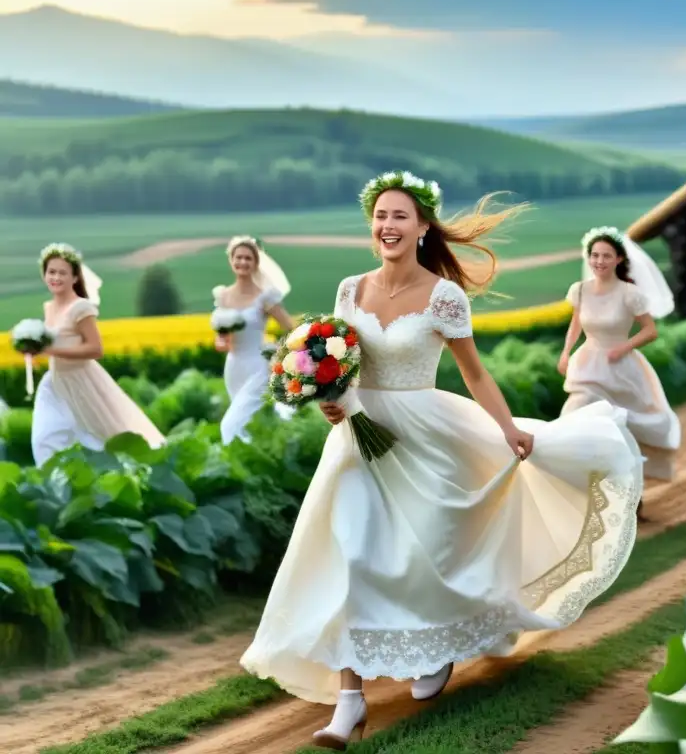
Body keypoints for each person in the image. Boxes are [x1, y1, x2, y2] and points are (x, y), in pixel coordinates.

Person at [240, 171, 643, 749]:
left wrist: (507, 430)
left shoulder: (444, 296)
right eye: (380, 216)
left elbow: (474, 372)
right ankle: (349, 703)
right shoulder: (350, 289)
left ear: (423, 227)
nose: (388, 226)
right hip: (358, 438)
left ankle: (440, 644)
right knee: (352, 554)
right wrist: (330, 400)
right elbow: (342, 362)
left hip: (426, 437)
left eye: (400, 216)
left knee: (422, 556)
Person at [558, 226, 680, 518]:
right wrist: (566, 352)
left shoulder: (630, 294)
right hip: (588, 366)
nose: (599, 261)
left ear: (618, 259)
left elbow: (650, 331)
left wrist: (623, 348)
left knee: (625, 428)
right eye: (595, 255)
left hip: (622, 369)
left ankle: (631, 491)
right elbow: (576, 324)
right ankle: (586, 488)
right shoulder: (580, 290)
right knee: (578, 415)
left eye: (606, 256)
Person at [30, 243, 165, 466]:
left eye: (62, 272)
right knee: (45, 436)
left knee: (97, 437)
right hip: (54, 383)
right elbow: (53, 342)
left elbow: (95, 349)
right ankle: (55, 483)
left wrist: (51, 350)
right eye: (51, 272)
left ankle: (122, 477)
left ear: (74, 278)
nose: (55, 277)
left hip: (81, 381)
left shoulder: (81, 308)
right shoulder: (49, 307)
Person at [214, 236, 297, 444]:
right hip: (233, 367)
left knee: (230, 425)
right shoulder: (223, 296)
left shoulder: (266, 297)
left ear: (256, 263)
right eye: (238, 257)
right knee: (247, 423)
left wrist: (279, 349)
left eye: (248, 258)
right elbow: (220, 337)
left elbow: (291, 329)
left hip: (258, 365)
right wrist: (221, 343)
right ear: (231, 261)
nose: (242, 262)